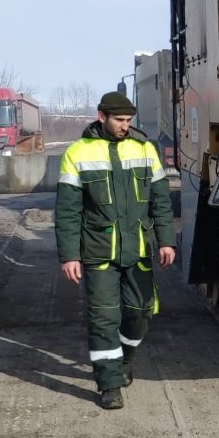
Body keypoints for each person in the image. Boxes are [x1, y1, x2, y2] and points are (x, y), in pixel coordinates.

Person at [55, 91, 177, 409]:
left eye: (128, 121)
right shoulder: (77, 153)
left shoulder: (145, 149)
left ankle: (124, 359)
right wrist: (69, 255)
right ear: (102, 117)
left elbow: (160, 201)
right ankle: (108, 385)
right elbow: (67, 211)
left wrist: (166, 240)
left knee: (140, 313)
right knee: (103, 318)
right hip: (98, 251)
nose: (125, 126)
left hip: (138, 247)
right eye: (119, 120)